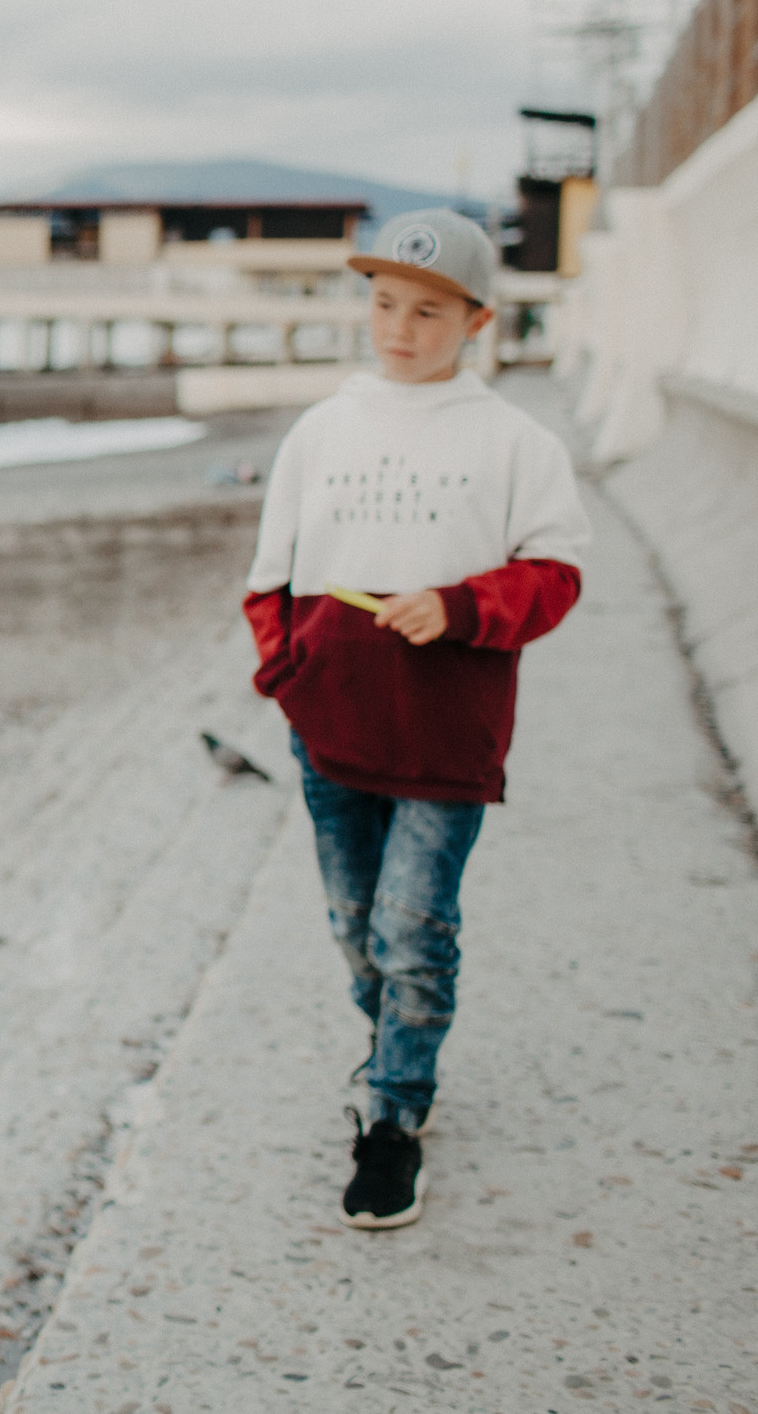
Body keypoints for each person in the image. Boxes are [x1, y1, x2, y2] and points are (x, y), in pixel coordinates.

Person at [243, 208, 591, 1230]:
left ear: (476, 319)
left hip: (447, 733)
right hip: (331, 724)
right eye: (385, 303)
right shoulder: (322, 429)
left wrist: (463, 606)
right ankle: (393, 1041)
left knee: (412, 924)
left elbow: (557, 573)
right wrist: (287, 670)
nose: (399, 328)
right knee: (356, 925)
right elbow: (270, 575)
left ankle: (393, 1113)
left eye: (428, 311)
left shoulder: (514, 443)